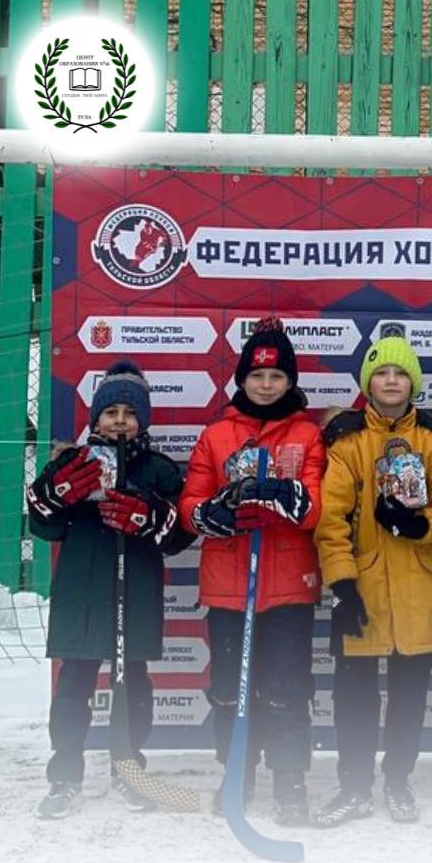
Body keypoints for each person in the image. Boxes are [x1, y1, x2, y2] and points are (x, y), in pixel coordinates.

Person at [27, 361, 193, 819]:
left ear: (143, 420)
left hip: (133, 594)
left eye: (129, 412)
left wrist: (151, 516)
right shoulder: (71, 461)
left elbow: (181, 535)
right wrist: (51, 495)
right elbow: (44, 527)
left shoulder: (158, 470)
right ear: (94, 417)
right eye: (110, 411)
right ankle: (64, 776)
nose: (119, 420)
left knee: (133, 687)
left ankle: (130, 769)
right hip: (81, 592)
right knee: (73, 686)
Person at [313, 337, 432, 825]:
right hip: (363, 588)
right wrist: (342, 582)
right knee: (353, 694)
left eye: (401, 374)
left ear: (413, 382)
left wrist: (422, 525)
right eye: (381, 373)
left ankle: (398, 781)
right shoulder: (347, 443)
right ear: (367, 383)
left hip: (419, 588)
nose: (392, 382)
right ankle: (354, 786)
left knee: (409, 695)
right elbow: (331, 519)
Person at [179, 317, 325, 827]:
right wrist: (211, 513)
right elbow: (191, 501)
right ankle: (236, 771)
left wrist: (288, 497)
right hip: (228, 585)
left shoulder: (306, 433)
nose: (266, 385)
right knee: (230, 687)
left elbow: (313, 508)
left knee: (286, 686)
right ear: (242, 379)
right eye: (258, 376)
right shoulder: (218, 434)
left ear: (291, 381)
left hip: (287, 586)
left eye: (277, 377)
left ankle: (290, 778)